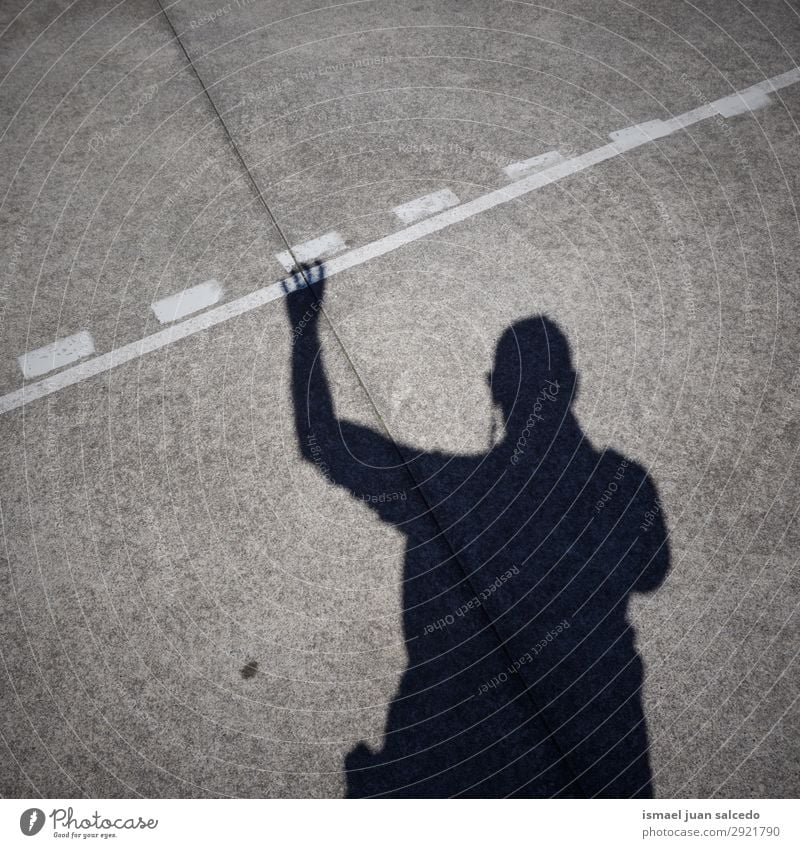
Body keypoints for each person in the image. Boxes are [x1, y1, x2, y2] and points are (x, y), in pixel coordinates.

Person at [285, 262, 670, 797]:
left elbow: (323, 441)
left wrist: (304, 325)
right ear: (573, 387)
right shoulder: (624, 486)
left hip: (462, 756)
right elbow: (652, 573)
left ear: (493, 391)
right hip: (600, 745)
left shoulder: (449, 493)